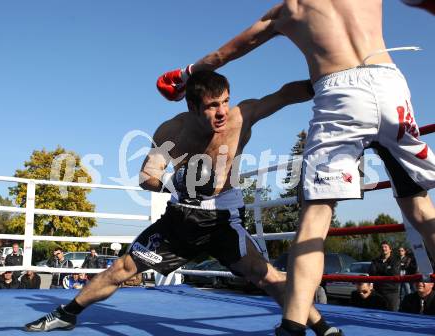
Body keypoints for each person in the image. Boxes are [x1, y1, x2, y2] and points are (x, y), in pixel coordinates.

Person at [156, 2, 435, 334]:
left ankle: (293, 326)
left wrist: (186, 75)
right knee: (418, 206)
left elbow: (221, 56)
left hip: (340, 93)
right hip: (391, 86)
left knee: (316, 214)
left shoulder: (290, 9)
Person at [24, 71, 338, 336]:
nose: (221, 112)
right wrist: (177, 184)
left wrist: (328, 79)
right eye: (212, 105)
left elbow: (283, 95)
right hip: (179, 222)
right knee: (124, 267)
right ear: (192, 106)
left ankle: (323, 329)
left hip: (223, 219)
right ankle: (67, 313)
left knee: (267, 276)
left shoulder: (241, 117)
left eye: (225, 101)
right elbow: (147, 174)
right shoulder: (173, 130)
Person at [369, 241, 401, 311]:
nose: (383, 249)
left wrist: (380, 271)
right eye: (382, 247)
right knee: (376, 314)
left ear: (390, 249)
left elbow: (394, 273)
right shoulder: (375, 260)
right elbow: (372, 273)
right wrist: (386, 270)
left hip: (391, 292)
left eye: (385, 247)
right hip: (378, 292)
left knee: (392, 314)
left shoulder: (396, 260)